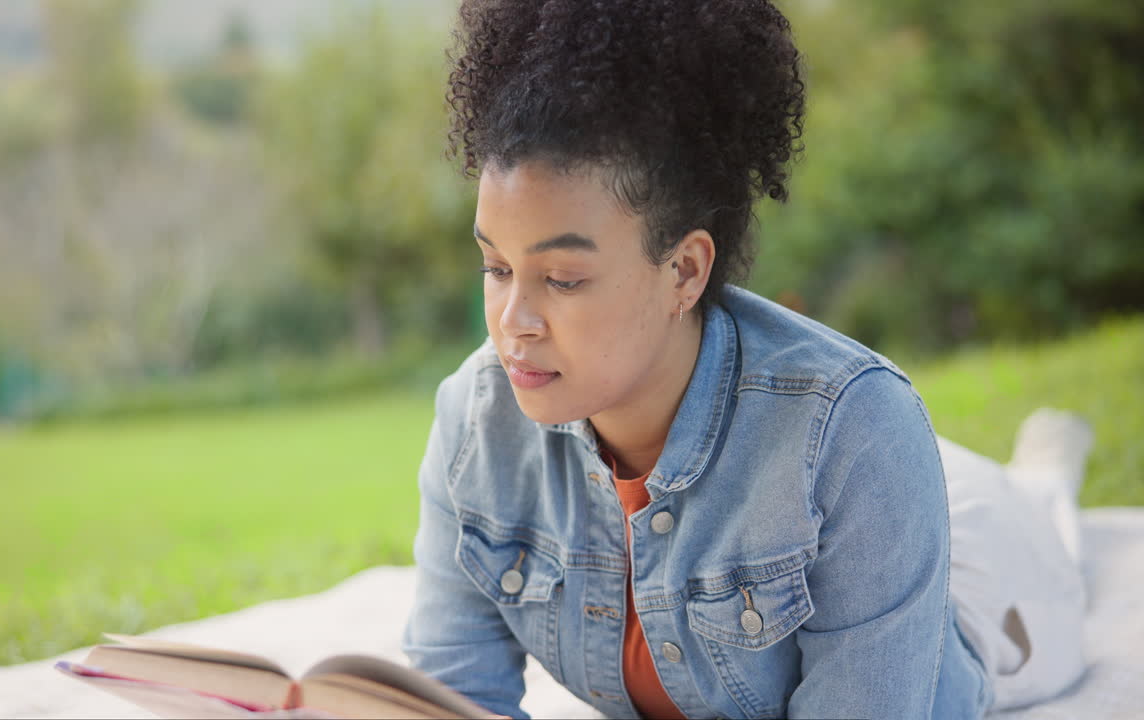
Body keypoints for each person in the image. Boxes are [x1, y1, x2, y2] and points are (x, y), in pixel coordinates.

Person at [401, 1, 1092, 717]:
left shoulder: (861, 435)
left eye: (563, 279)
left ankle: (1046, 473)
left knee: (1035, 518)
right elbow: (449, 698)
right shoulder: (475, 419)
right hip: (852, 465)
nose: (512, 323)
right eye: (496, 267)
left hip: (985, 591)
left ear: (684, 272)